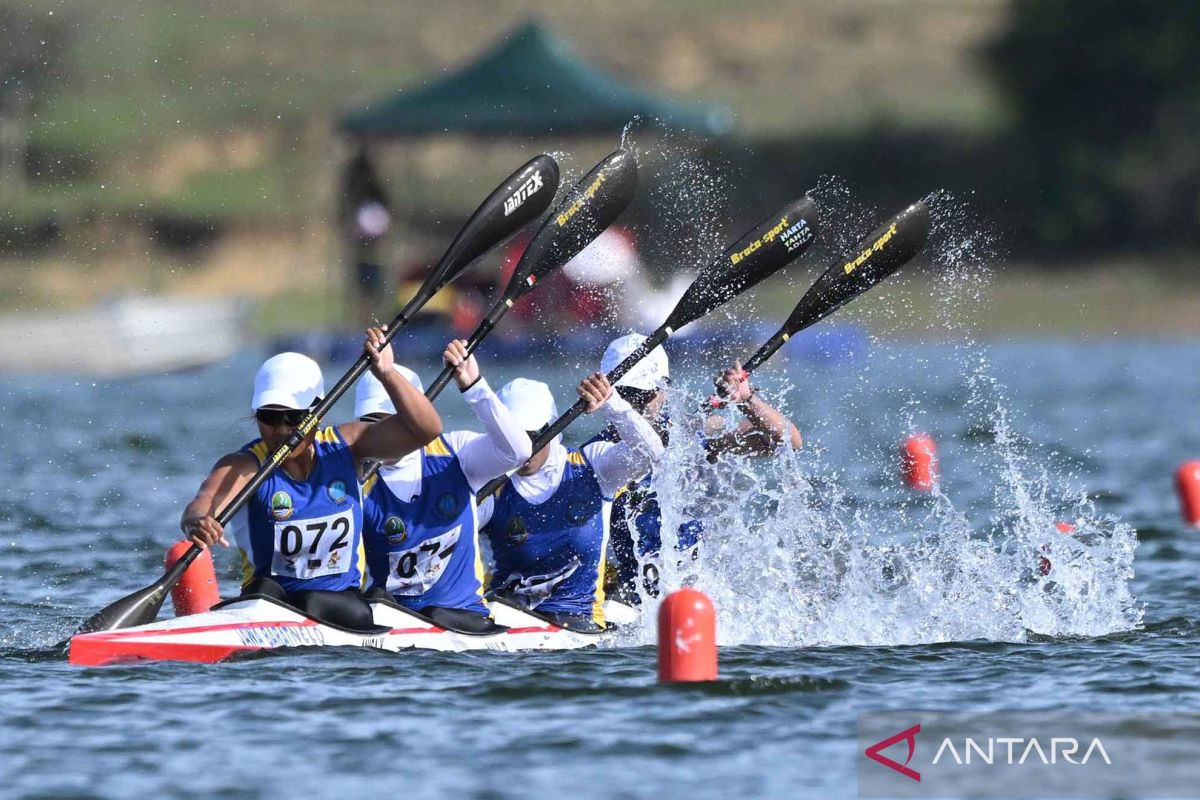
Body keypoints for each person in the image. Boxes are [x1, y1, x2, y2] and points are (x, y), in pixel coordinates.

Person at [181, 327, 441, 630]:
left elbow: (425, 430)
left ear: (317, 413)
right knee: (266, 592)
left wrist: (386, 373)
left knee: (313, 601)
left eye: (294, 418)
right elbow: (203, 503)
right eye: (269, 416)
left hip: (343, 606)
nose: (280, 429)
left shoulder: (349, 446)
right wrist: (198, 523)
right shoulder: (244, 465)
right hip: (267, 606)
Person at [598, 334, 802, 604]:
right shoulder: (597, 453)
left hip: (689, 590)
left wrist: (746, 399)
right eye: (624, 395)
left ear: (663, 390)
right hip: (627, 593)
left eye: (642, 394)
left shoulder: (693, 435)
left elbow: (789, 442)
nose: (634, 404)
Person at [357, 339, 532, 633]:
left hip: (463, 620)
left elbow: (517, 452)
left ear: (412, 420)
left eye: (390, 423)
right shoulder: (353, 476)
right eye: (372, 423)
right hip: (387, 620)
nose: (381, 435)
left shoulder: (455, 453)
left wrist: (473, 386)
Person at [479, 374, 664, 631]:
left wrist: (611, 402)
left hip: (580, 621)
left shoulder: (593, 469)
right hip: (505, 613)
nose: (518, 446)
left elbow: (651, 454)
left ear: (553, 428)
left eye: (529, 435)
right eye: (506, 436)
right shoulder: (489, 485)